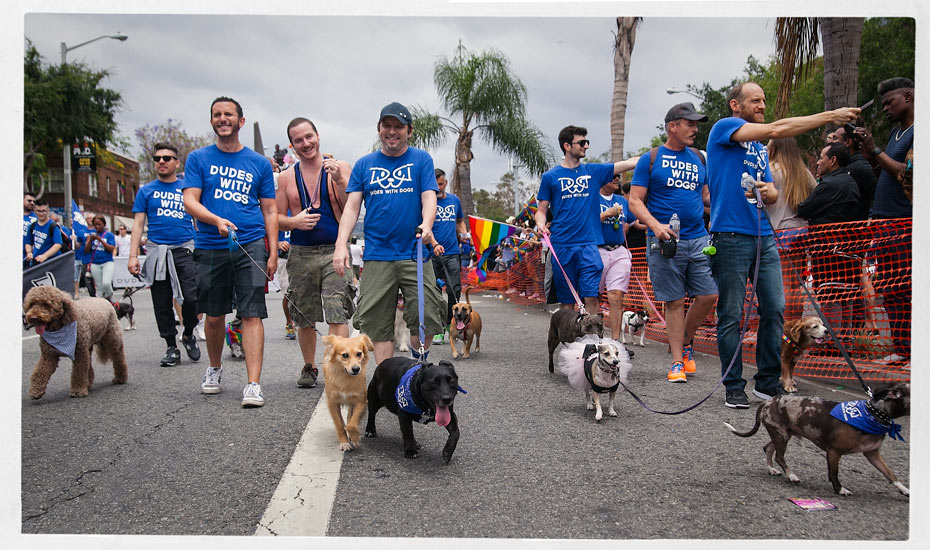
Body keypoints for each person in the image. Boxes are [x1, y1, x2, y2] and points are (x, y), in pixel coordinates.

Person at [706, 81, 858, 408]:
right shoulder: (725, 129)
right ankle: (734, 386)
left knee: (774, 308)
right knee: (731, 314)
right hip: (729, 236)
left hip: (765, 235)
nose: (762, 106)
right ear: (736, 105)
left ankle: (767, 382)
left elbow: (773, 193)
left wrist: (767, 191)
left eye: (763, 101)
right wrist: (831, 115)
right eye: (755, 101)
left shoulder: (760, 150)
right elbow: (778, 127)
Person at [181, 96, 278, 408]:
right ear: (212, 122)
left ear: (241, 121)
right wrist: (215, 220)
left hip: (250, 243)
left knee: (252, 313)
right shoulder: (198, 159)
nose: (222, 119)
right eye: (217, 115)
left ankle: (253, 383)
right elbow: (190, 201)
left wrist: (273, 251)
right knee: (214, 314)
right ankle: (214, 369)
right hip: (211, 245)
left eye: (228, 114)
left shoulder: (259, 164)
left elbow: (270, 211)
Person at [332, 101, 445, 366]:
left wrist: (427, 224)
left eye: (398, 127)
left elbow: (429, 197)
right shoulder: (364, 164)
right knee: (377, 323)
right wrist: (340, 246)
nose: (392, 131)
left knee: (426, 314)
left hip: (414, 252)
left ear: (409, 131)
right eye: (387, 126)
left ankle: (418, 366)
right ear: (379, 129)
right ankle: (387, 378)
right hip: (378, 255)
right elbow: (351, 208)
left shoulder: (421, 160)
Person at [629, 102, 718, 383]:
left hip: (699, 238)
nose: (695, 129)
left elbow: (705, 196)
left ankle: (685, 340)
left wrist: (731, 202)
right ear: (672, 126)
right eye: (689, 124)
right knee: (675, 301)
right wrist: (655, 226)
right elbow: (634, 200)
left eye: (696, 124)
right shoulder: (651, 159)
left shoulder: (699, 158)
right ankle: (678, 361)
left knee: (709, 295)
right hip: (665, 242)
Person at [275, 116, 356, 388]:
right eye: (298, 140)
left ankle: (337, 368)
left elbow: (352, 209)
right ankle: (309, 366)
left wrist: (341, 180)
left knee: (338, 310)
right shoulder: (286, 178)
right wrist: (293, 222)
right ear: (292, 145)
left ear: (318, 136)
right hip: (301, 253)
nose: (305, 143)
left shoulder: (340, 166)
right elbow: (274, 217)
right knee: (303, 314)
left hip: (336, 250)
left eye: (309, 137)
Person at [534, 125, 638, 313]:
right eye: (582, 142)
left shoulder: (593, 171)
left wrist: (657, 155)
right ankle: (569, 340)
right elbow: (541, 210)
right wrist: (541, 224)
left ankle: (591, 339)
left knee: (592, 295)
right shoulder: (550, 177)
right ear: (567, 145)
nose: (586, 146)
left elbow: (627, 163)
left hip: (590, 245)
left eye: (587, 142)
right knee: (567, 300)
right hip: (562, 245)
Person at [854, 77, 914, 365]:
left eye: (890, 102)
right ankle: (901, 349)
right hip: (884, 221)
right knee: (889, 287)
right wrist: (868, 149)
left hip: (904, 222)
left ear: (910, 97)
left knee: (905, 288)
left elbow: (906, 173)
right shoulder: (897, 133)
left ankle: (911, 350)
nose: (886, 109)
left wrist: (876, 149)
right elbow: (885, 169)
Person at [128, 142, 201, 367]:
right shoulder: (146, 191)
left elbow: (199, 218)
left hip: (184, 249)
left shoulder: (188, 189)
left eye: (167, 158)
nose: (161, 161)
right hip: (157, 251)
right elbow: (138, 224)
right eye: (157, 158)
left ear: (176, 163)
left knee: (191, 298)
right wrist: (133, 256)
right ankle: (171, 346)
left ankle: (188, 332)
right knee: (161, 302)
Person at [429, 168, 467, 345]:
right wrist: (435, 243)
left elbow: (459, 221)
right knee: (434, 294)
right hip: (431, 254)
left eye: (441, 184)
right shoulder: (427, 202)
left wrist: (465, 234)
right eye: (435, 184)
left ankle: (450, 326)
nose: (439, 187)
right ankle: (437, 330)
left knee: (454, 290)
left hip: (452, 253)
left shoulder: (454, 200)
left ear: (445, 183)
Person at [595, 174, 634, 342]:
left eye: (618, 176)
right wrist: (607, 214)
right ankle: (595, 340)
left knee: (616, 296)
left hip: (619, 250)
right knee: (594, 296)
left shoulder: (622, 200)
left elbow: (632, 219)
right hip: (597, 250)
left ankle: (615, 342)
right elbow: (584, 221)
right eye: (612, 176)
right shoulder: (592, 198)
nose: (617, 179)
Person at [798, 143, 860, 225]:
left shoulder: (828, 185)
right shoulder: (851, 182)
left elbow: (803, 210)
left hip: (825, 236)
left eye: (821, 158)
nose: (818, 163)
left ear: (833, 160)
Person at [825, 125, 876, 221]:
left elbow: (876, 195)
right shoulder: (842, 166)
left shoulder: (860, 167)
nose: (830, 142)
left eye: (835, 138)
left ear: (848, 142)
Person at [765, 137, 817, 230]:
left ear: (774, 150)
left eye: (768, 147)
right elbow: (817, 194)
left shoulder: (769, 171)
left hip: (777, 229)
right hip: (802, 228)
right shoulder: (804, 172)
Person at [84, 215, 116, 301]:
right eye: (95, 225)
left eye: (99, 224)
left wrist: (100, 240)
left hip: (107, 262)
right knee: (100, 287)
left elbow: (111, 249)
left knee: (106, 283)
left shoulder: (109, 235)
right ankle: (102, 303)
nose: (97, 226)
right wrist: (90, 241)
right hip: (95, 263)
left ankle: (111, 299)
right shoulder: (91, 235)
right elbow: (86, 250)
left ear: (104, 224)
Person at [24, 198, 63, 267]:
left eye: (44, 211)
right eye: (39, 211)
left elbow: (58, 244)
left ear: (48, 211)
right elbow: (28, 242)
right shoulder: (32, 226)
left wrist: (45, 256)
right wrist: (29, 252)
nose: (41, 214)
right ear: (34, 211)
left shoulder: (53, 226)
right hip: (36, 261)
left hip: (52, 262)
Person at [23, 191, 36, 260]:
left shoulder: (37, 218)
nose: (32, 203)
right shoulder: (12, 216)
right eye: (29, 200)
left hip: (30, 256)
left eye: (33, 201)